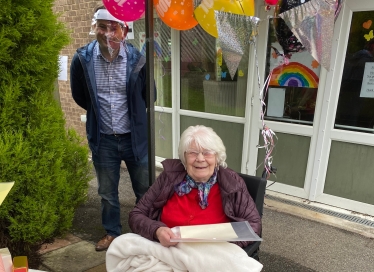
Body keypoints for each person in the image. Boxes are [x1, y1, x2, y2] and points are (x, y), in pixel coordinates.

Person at [70, 6, 155, 251]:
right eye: (103, 26)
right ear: (95, 27)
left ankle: (145, 231)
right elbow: (80, 96)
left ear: (123, 30)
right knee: (107, 192)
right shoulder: (82, 59)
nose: (108, 33)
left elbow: (150, 96)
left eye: (114, 27)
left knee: (145, 190)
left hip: (134, 138)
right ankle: (112, 233)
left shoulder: (137, 58)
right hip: (103, 138)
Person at [128, 125, 261, 249]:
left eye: (207, 152)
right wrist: (156, 231)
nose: (200, 158)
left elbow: (253, 225)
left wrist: (223, 246)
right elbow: (136, 215)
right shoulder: (169, 177)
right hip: (167, 250)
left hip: (212, 254)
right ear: (184, 158)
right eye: (193, 152)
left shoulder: (232, 183)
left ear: (217, 158)